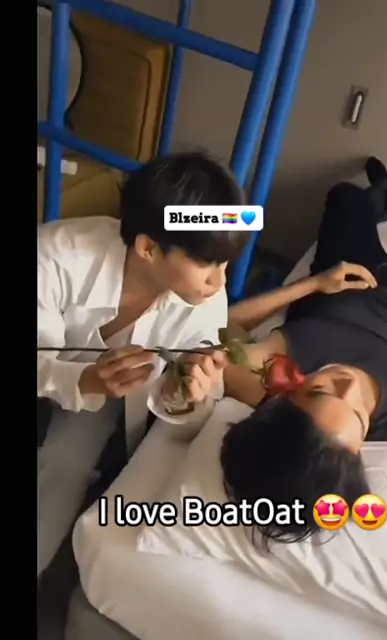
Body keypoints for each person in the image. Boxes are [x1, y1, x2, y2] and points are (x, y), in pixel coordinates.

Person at [164, 158, 387, 544]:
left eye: (320, 390)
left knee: (344, 196)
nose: (348, 383)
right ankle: (386, 202)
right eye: (359, 414)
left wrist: (311, 286)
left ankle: (385, 199)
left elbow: (224, 324)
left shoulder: (261, 376)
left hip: (342, 276)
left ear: (283, 397)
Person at [37, 150, 248, 577]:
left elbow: (188, 412)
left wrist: (182, 393)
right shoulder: (56, 256)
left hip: (101, 401)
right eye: (206, 262)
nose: (220, 280)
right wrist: (85, 380)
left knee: (66, 463)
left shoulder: (205, 299)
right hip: (60, 369)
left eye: (225, 261)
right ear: (149, 248)